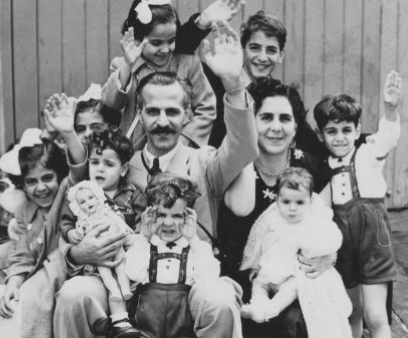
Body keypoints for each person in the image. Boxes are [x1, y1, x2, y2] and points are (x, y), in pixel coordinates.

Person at [56, 21, 258, 338]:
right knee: (75, 294)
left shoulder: (204, 163)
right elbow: (72, 214)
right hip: (129, 284)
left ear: (187, 115)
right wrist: (78, 253)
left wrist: (233, 84)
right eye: (153, 112)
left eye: (172, 112)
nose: (163, 122)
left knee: (219, 299)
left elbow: (243, 148)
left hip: (188, 280)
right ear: (140, 113)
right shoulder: (119, 167)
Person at [222, 78, 334, 338]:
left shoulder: (312, 168)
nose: (276, 127)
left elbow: (324, 233)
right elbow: (239, 210)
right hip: (243, 280)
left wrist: (326, 258)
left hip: (294, 280)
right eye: (266, 117)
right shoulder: (234, 166)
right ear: (252, 122)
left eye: (285, 118)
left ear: (296, 126)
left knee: (296, 319)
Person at [313, 70, 402, 338]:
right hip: (344, 242)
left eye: (346, 130)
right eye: (332, 131)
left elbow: (388, 136)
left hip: (373, 237)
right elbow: (319, 208)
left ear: (358, 130)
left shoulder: (368, 153)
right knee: (351, 310)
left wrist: (390, 108)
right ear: (321, 135)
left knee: (375, 316)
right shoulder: (324, 167)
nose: (339, 137)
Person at [0, 126, 85, 338]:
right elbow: (22, 251)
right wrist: (13, 283)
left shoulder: (66, 196)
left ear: (59, 176)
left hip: (60, 268)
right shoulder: (26, 210)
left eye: (47, 178)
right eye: (31, 182)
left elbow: (77, 170)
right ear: (22, 185)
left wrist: (67, 133)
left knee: (30, 299)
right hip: (35, 267)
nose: (40, 188)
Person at [239, 167, 352, 337]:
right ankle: (258, 306)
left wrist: (316, 248)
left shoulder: (311, 221)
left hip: (290, 273)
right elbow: (257, 240)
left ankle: (272, 308)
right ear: (277, 200)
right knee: (258, 284)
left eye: (299, 203)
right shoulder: (272, 217)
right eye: (286, 202)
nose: (292, 208)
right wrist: (254, 265)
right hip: (269, 269)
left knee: (292, 287)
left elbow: (332, 237)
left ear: (309, 201)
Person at [102, 0, 216, 150]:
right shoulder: (124, 66)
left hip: (179, 151)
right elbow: (111, 102)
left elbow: (207, 106)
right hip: (135, 154)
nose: (165, 49)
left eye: (171, 40)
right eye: (156, 43)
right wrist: (128, 65)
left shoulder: (188, 63)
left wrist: (185, 139)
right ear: (137, 40)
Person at [125, 174, 221, 338]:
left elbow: (209, 279)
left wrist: (193, 239)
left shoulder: (195, 248)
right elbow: (132, 273)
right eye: (161, 215)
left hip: (183, 330)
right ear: (149, 213)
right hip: (145, 329)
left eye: (176, 216)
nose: (168, 223)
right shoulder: (143, 245)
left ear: (189, 215)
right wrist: (144, 237)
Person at [65, 180, 138, 336]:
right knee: (106, 276)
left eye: (91, 198)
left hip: (117, 248)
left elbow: (121, 224)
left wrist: (129, 234)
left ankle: (125, 290)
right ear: (78, 207)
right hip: (99, 259)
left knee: (121, 270)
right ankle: (115, 293)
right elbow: (79, 236)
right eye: (82, 202)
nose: (88, 203)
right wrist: (76, 234)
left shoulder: (108, 212)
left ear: (98, 198)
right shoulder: (83, 222)